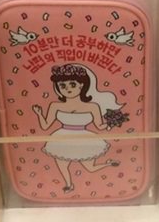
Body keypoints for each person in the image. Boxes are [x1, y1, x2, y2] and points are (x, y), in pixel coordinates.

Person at [32, 64, 123, 193]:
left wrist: (111, 123)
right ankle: (69, 185)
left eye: (72, 84)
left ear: (82, 85)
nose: (67, 89)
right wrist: (39, 114)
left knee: (90, 168)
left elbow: (99, 126)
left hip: (84, 137)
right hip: (61, 138)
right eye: (62, 86)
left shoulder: (92, 106)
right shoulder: (55, 106)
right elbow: (45, 126)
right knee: (62, 164)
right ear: (57, 88)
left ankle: (108, 163)